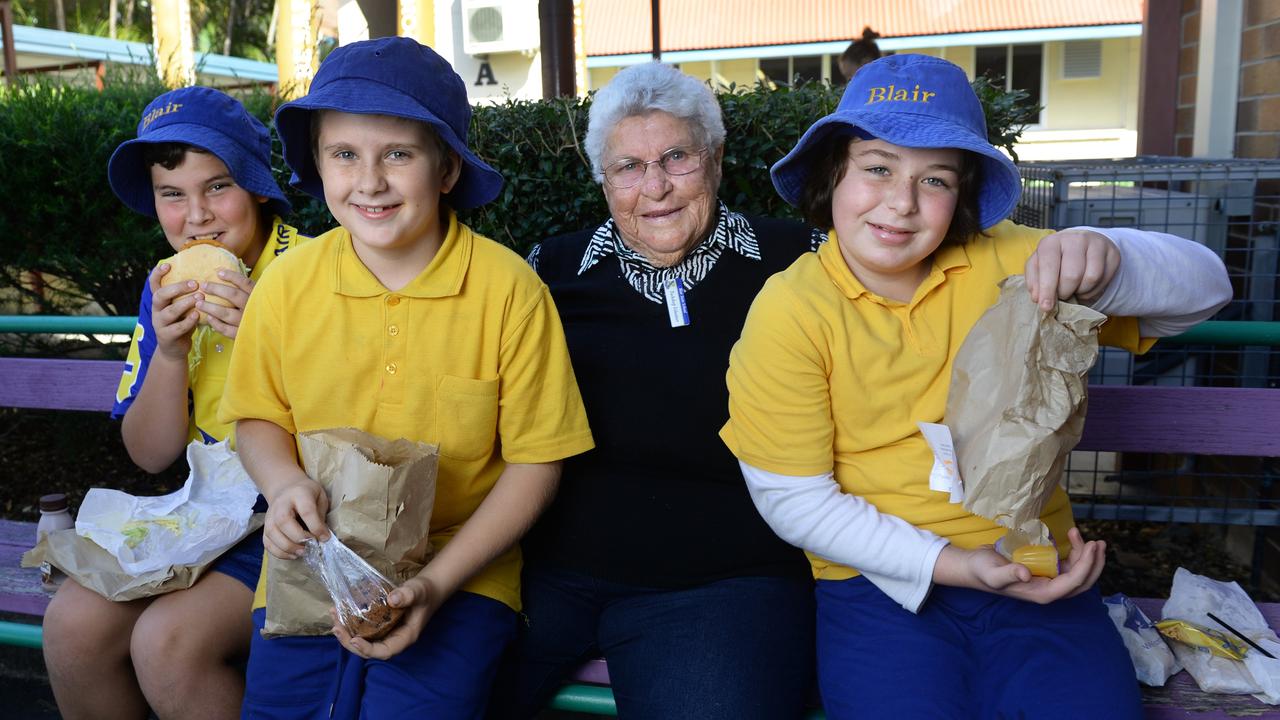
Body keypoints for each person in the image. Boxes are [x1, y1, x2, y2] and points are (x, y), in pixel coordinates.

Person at [720, 54, 1233, 720]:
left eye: (933, 180)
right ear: (833, 174)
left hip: (1039, 574)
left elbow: (1207, 289)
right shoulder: (790, 311)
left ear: (961, 196)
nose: (900, 203)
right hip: (878, 584)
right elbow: (794, 499)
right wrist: (956, 564)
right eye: (877, 167)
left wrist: (1114, 256)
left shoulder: (1010, 259)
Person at [217, 36, 594, 719]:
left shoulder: (510, 291)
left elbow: (537, 463)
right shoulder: (286, 285)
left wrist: (438, 586)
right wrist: (282, 484)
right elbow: (258, 416)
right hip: (308, 561)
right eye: (344, 155)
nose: (369, 182)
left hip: (459, 569)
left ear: (447, 168)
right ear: (318, 163)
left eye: (398, 154)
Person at [494, 61, 818, 719]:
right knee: (427, 691)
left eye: (677, 158)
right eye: (629, 168)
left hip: (725, 582)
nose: (657, 187)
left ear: (717, 160)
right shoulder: (549, 269)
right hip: (550, 574)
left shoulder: (796, 260)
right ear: (603, 180)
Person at [42, 86, 302, 720]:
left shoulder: (310, 272)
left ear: (258, 186)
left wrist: (261, 339)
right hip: (208, 516)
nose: (197, 217)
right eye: (172, 195)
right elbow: (152, 454)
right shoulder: (166, 286)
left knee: (167, 643)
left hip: (296, 518)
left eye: (218, 187)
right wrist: (169, 353)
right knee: (69, 627)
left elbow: (357, 426)